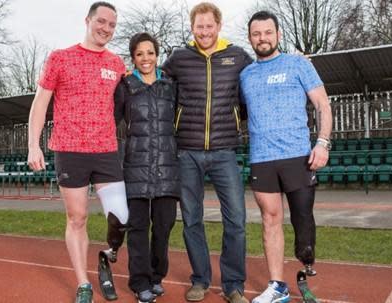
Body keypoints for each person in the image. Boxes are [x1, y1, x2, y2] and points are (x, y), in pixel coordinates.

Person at [27, 2, 128, 303]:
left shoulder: (117, 64)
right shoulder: (60, 58)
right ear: (88, 20)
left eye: (112, 25)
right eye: (101, 21)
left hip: (106, 149)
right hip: (70, 150)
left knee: (120, 215)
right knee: (78, 218)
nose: (106, 28)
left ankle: (107, 253)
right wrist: (34, 144)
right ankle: (83, 283)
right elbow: (40, 103)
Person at [161, 2, 253, 303]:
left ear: (218, 25)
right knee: (191, 219)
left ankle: (233, 284)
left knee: (236, 220)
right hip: (187, 151)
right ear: (192, 28)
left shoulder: (238, 57)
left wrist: (293, 61)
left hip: (225, 150)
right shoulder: (178, 59)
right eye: (199, 27)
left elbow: (258, 83)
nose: (204, 32)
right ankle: (200, 279)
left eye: (209, 26)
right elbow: (156, 86)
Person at [239, 11, 332, 303]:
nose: (262, 38)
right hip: (262, 158)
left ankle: (305, 265)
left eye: (268, 32)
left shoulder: (297, 64)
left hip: (297, 156)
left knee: (302, 220)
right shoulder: (245, 75)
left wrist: (323, 143)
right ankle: (277, 286)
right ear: (250, 37)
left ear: (278, 34)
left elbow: (323, 105)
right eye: (256, 34)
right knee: (270, 219)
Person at [114, 32, 180, 303]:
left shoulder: (171, 86)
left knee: (163, 227)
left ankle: (156, 277)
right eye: (140, 54)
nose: (146, 58)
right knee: (138, 229)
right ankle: (139, 281)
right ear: (133, 57)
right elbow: (111, 123)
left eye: (150, 53)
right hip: (135, 170)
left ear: (157, 54)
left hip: (167, 170)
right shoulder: (125, 86)